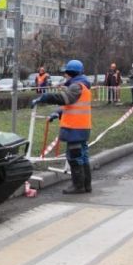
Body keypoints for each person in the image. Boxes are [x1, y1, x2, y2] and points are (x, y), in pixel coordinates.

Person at [31, 59, 92, 194]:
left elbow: (65, 99)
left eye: (66, 73)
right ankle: (86, 185)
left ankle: (78, 186)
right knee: (82, 157)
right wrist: (56, 113)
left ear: (70, 73)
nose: (65, 75)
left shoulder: (76, 86)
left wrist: (45, 97)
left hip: (75, 128)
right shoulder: (82, 85)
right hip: (81, 128)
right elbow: (70, 105)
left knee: (74, 157)